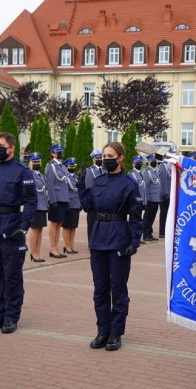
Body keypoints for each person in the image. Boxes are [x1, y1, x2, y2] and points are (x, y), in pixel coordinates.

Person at [78, 142, 143, 351]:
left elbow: (135, 216)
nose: (106, 159)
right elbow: (88, 207)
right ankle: (102, 331)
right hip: (98, 238)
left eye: (110, 155)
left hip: (119, 239)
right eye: (104, 155)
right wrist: (81, 187)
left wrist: (134, 242)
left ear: (121, 157)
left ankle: (116, 333)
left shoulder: (129, 184)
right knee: (100, 289)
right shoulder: (98, 182)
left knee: (118, 289)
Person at [0, 132, 37, 334]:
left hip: (12, 230)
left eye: (1, 145)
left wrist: (23, 226)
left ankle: (11, 316)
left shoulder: (22, 172)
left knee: (11, 277)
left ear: (11, 148)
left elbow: (31, 201)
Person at [45, 144, 69, 258]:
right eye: (58, 151)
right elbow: (49, 184)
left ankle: (56, 248)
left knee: (59, 224)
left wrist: (67, 200)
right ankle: (52, 248)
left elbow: (65, 184)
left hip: (63, 199)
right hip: (56, 199)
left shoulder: (63, 167)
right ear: (53, 153)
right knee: (54, 224)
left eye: (61, 151)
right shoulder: (51, 166)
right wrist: (52, 200)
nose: (60, 153)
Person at [26, 152, 48, 262]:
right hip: (34, 206)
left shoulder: (41, 175)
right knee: (34, 230)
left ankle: (38, 252)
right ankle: (33, 253)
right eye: (34, 162)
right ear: (30, 163)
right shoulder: (29, 175)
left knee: (40, 230)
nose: (36, 163)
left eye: (38, 161)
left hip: (42, 205)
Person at [84, 149, 105, 239]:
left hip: (103, 201)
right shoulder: (89, 170)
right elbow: (89, 187)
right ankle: (92, 242)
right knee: (92, 222)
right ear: (93, 159)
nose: (100, 159)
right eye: (97, 158)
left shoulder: (104, 171)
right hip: (94, 201)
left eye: (101, 157)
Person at [61, 157, 81, 254]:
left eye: (74, 166)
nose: (72, 167)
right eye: (70, 166)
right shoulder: (65, 177)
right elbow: (65, 191)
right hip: (69, 204)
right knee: (67, 226)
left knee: (73, 226)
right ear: (66, 167)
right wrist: (66, 204)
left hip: (76, 204)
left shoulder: (76, 177)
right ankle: (67, 246)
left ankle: (71, 246)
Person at [141, 155, 162, 242]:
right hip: (150, 199)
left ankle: (149, 233)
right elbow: (145, 187)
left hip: (156, 199)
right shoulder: (147, 172)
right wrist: (147, 199)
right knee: (148, 217)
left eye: (154, 160)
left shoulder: (155, 171)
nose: (154, 162)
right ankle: (145, 234)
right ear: (148, 162)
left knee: (152, 217)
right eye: (152, 160)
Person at [157, 153, 172, 239]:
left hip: (168, 194)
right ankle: (162, 232)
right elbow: (162, 181)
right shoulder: (163, 167)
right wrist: (165, 194)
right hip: (165, 195)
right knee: (164, 213)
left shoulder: (168, 167)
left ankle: (165, 231)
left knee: (167, 214)